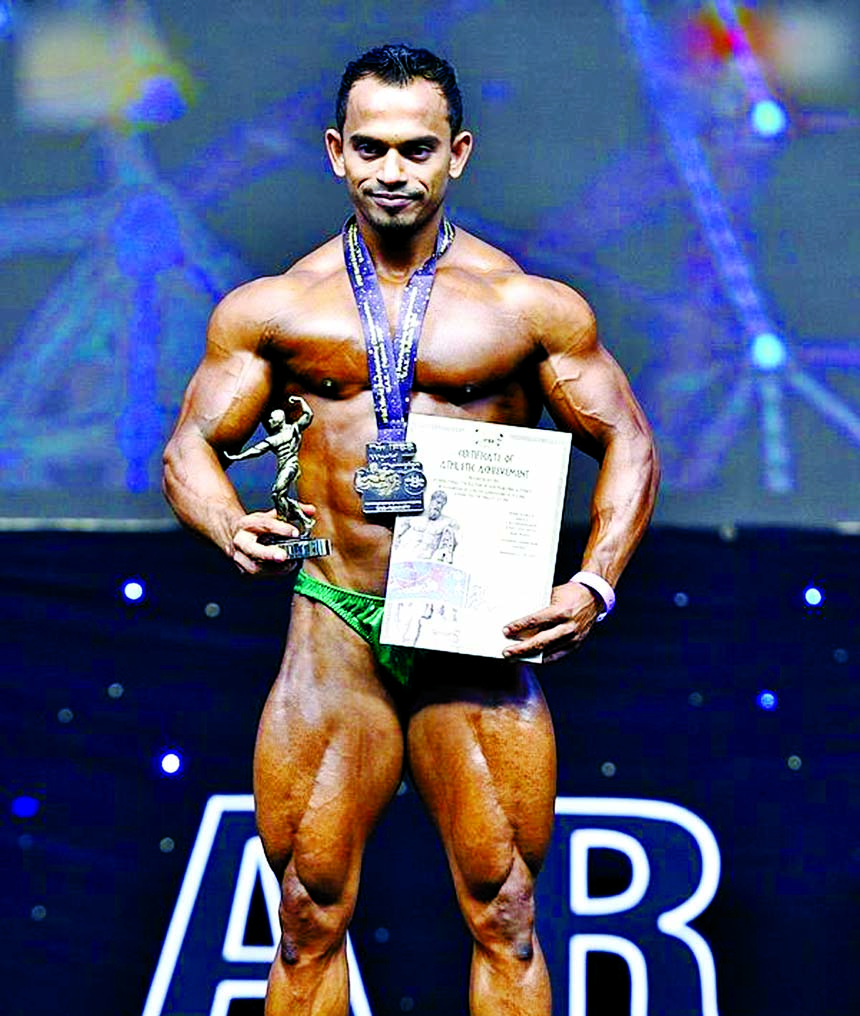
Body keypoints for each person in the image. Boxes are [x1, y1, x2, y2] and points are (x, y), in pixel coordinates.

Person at [163, 43, 659, 1016]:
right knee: (306, 910)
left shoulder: (526, 310)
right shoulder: (273, 310)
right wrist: (226, 521)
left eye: (417, 148)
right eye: (373, 149)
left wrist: (592, 581)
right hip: (335, 627)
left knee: (503, 906)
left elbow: (628, 443)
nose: (394, 171)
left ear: (457, 154)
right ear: (336, 153)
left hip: (471, 633)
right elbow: (188, 447)